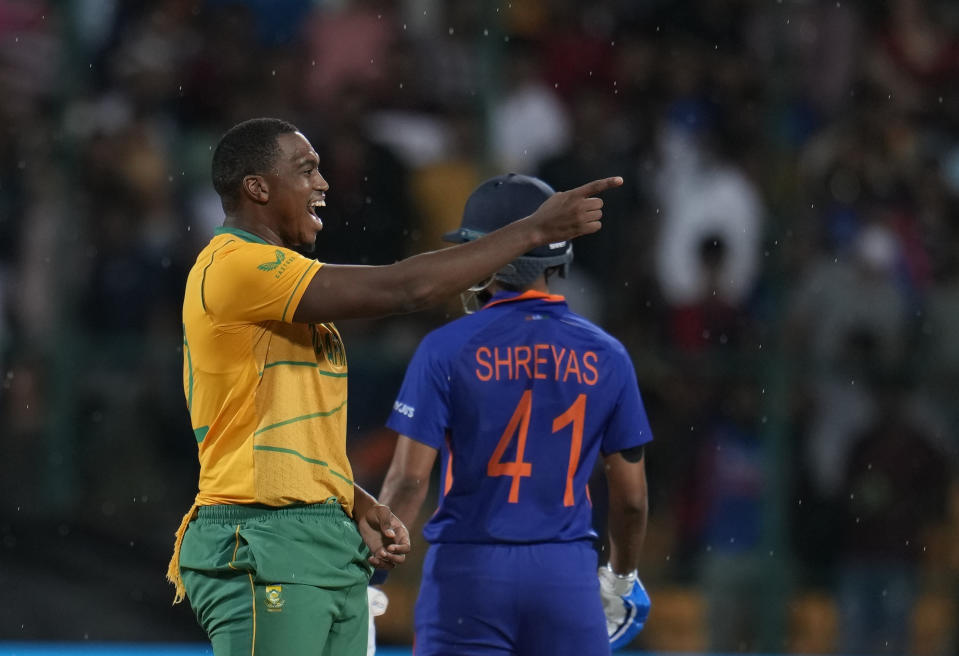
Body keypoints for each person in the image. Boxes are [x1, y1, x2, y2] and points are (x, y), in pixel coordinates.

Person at [166, 118, 623, 656]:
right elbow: (406, 287)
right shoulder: (236, 266)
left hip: (323, 539)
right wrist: (533, 231)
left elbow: (279, 429)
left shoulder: (279, 283)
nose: (323, 183)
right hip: (261, 535)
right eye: (306, 170)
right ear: (257, 187)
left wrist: (353, 501)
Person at [376, 173, 652, 655]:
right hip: (564, 575)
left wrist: (371, 575)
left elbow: (407, 482)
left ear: (482, 259)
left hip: (468, 572)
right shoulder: (608, 355)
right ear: (559, 257)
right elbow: (630, 500)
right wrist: (622, 577)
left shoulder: (444, 349)